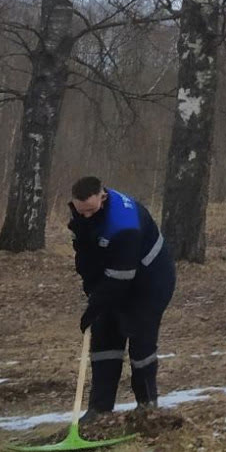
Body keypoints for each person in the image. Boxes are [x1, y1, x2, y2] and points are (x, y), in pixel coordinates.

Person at [67, 177, 176, 417]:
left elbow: (122, 275)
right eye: (80, 211)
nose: (85, 216)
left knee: (140, 340)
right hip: (116, 276)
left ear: (103, 197)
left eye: (90, 211)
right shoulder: (82, 213)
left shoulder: (125, 223)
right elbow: (87, 259)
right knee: (104, 337)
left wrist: (95, 306)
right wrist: (93, 293)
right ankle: (99, 410)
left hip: (150, 281)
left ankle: (147, 409)